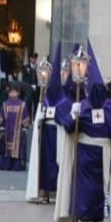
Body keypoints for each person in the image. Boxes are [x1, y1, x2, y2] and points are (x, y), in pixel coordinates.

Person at [54, 41, 111, 222]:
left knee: (101, 187)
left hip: (104, 152)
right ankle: (84, 220)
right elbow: (68, 128)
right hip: (85, 149)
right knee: (85, 186)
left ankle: (97, 220)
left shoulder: (109, 107)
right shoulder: (82, 105)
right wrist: (74, 116)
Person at [25, 43, 65, 204]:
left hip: (60, 132)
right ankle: (44, 192)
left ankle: (58, 192)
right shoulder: (45, 97)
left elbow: (64, 114)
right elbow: (40, 115)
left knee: (58, 162)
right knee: (46, 162)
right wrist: (40, 115)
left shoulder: (64, 99)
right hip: (47, 132)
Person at [0, 83, 30, 171]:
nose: (12, 94)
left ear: (18, 93)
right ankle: (6, 165)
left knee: (18, 148)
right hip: (7, 132)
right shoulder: (5, 104)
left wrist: (24, 129)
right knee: (6, 149)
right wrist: (1, 129)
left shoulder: (22, 105)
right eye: (10, 92)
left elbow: (26, 118)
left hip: (18, 133)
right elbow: (1, 117)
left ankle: (17, 165)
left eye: (14, 92)